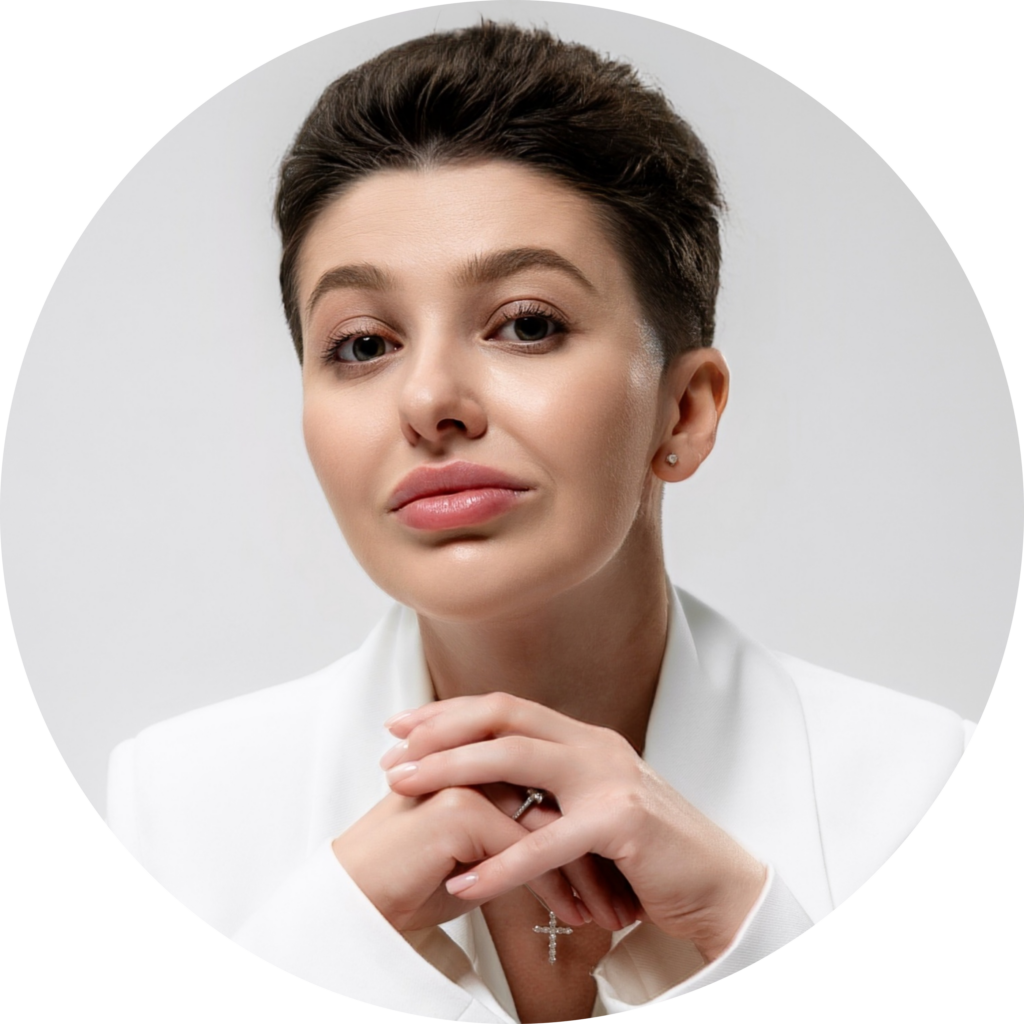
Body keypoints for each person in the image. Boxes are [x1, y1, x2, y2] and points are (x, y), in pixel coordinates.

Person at [106, 23, 970, 1019]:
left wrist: (751, 928)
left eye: (526, 324)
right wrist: (321, 946)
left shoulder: (913, 784)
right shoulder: (176, 808)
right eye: (362, 344)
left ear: (684, 412)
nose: (428, 399)